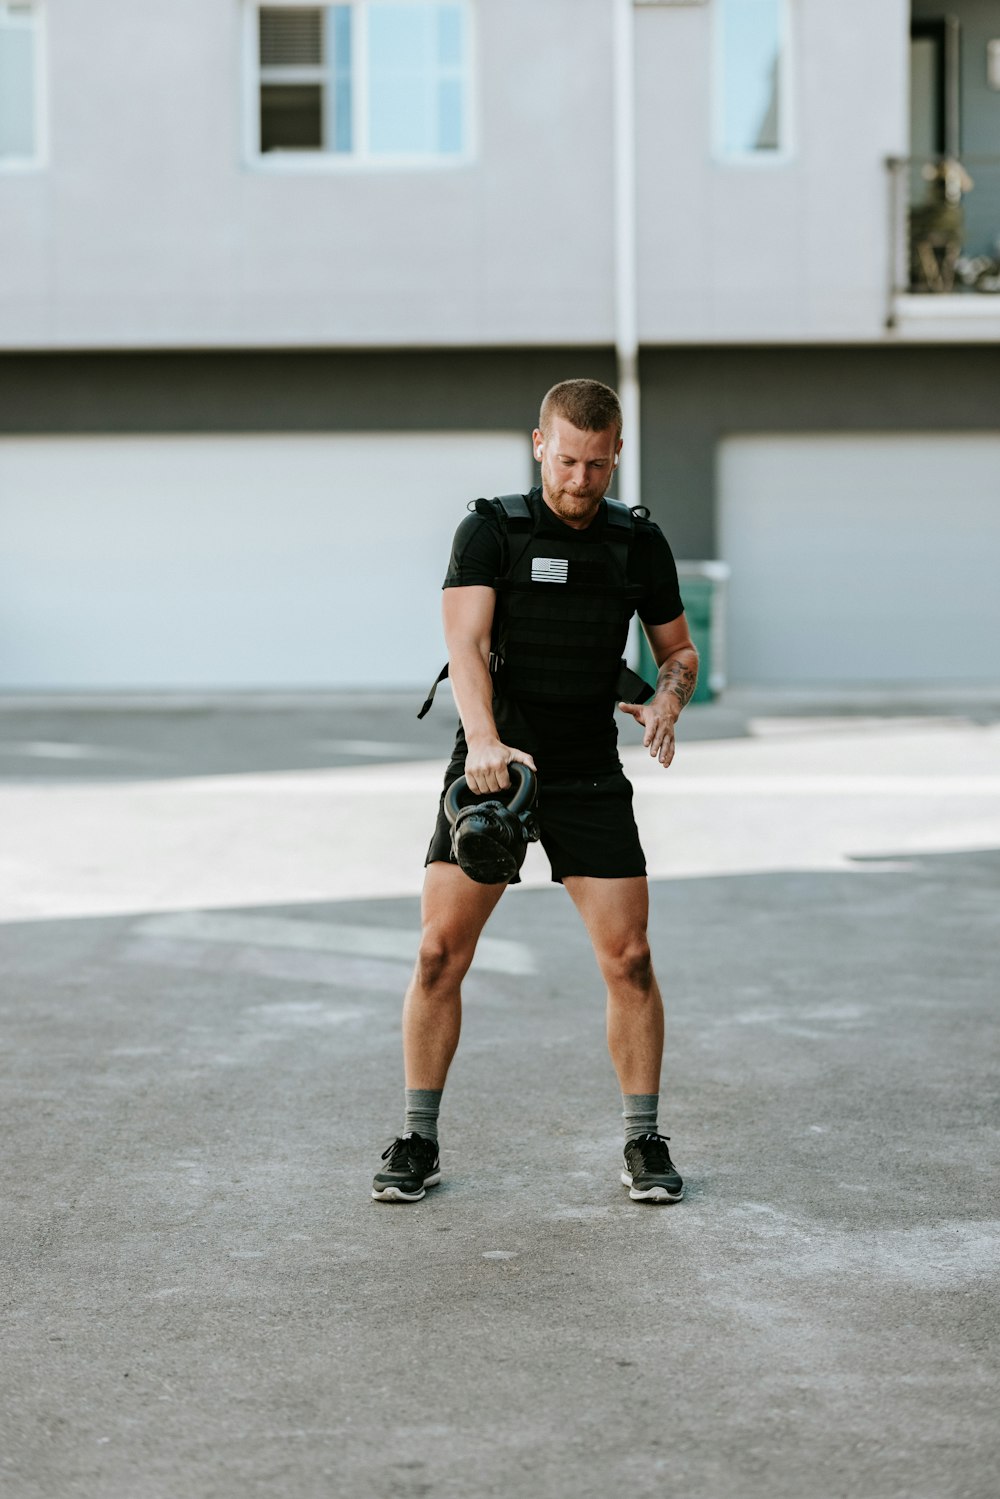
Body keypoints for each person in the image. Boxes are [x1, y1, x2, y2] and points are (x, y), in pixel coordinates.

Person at [372, 378, 698, 1205]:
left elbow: (680, 652)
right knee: (439, 952)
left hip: (589, 764)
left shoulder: (638, 543)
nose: (579, 480)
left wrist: (665, 697)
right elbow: (467, 645)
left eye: (596, 463)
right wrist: (481, 741)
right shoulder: (491, 529)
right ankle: (417, 1138)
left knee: (630, 960)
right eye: (565, 460)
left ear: (617, 453)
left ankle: (643, 1139)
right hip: (498, 765)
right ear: (537, 443)